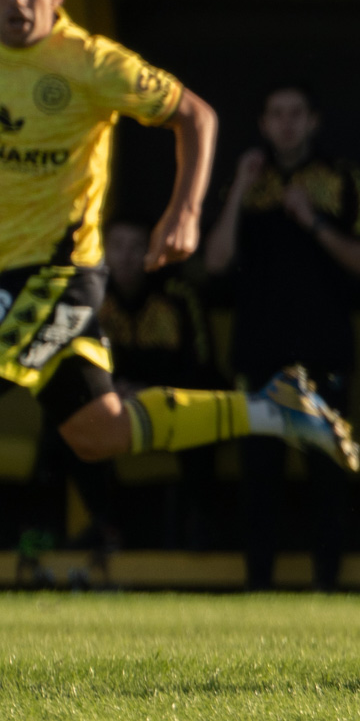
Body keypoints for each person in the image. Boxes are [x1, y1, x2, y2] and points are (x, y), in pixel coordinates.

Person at [0, 0, 358, 630]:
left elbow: (196, 114)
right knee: (97, 431)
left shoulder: (87, 62)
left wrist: (185, 211)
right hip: (8, 276)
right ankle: (274, 409)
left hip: (54, 276)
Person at [206, 84, 360, 590]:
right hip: (259, 350)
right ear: (262, 124)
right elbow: (214, 262)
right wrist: (239, 187)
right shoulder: (247, 180)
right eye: (275, 114)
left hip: (323, 347)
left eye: (296, 113)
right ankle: (258, 585)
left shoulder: (341, 176)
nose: (286, 124)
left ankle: (329, 584)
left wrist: (313, 219)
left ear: (313, 120)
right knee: (260, 478)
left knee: (327, 476)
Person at [99, 219, 229, 548]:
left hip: (170, 407)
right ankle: (102, 528)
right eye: (118, 247)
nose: (126, 257)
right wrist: (110, 391)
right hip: (116, 412)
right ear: (103, 253)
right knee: (68, 424)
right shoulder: (92, 299)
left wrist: (150, 394)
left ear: (151, 252)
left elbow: (202, 367)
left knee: (199, 422)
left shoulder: (178, 297)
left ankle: (200, 529)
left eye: (136, 247)